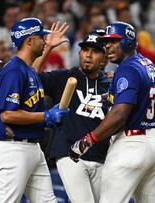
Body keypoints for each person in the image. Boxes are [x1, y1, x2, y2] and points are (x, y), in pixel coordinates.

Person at [69, 21, 155, 203]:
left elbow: (120, 114)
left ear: (128, 42)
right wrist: (112, 97)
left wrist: (88, 140)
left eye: (114, 41)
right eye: (106, 42)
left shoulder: (127, 68)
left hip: (131, 144)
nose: (108, 46)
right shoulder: (151, 65)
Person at [0, 17, 69, 203]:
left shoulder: (25, 70)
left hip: (32, 148)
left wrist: (48, 47)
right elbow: (7, 114)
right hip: (14, 149)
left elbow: (32, 72)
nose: (44, 40)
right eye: (41, 37)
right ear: (29, 40)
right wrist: (46, 115)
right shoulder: (14, 71)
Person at [38, 31, 110, 203]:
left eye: (95, 50)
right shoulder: (63, 77)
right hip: (69, 155)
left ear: (105, 59)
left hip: (102, 157)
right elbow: (29, 77)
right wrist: (48, 48)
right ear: (79, 53)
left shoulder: (112, 84)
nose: (89, 55)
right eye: (85, 49)